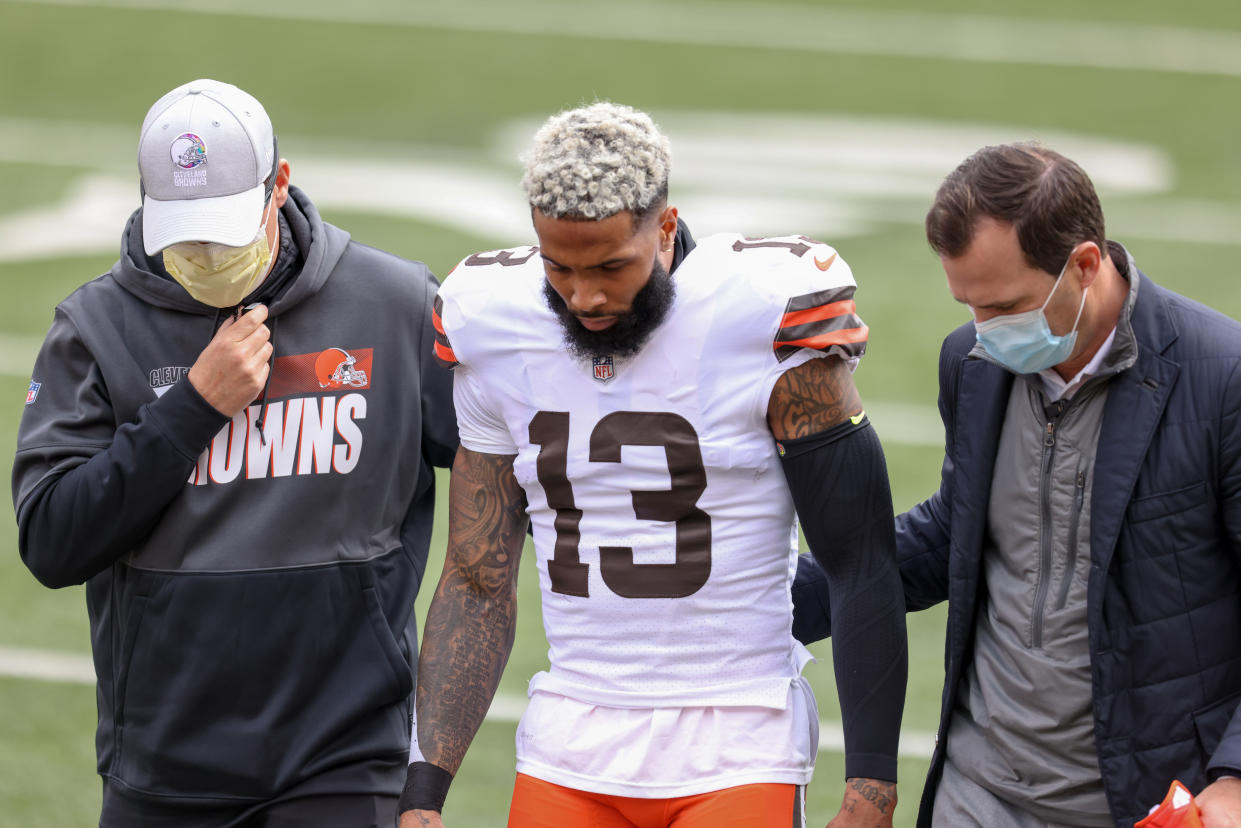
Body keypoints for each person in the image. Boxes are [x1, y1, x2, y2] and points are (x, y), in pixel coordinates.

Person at [397, 102, 908, 828]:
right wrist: (425, 790)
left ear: (664, 230)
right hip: (570, 733)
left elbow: (859, 559)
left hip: (737, 732)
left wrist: (870, 788)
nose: (586, 297)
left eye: (611, 266)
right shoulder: (492, 320)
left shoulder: (760, 311)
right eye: (559, 269)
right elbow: (478, 578)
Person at [11, 79, 457, 826]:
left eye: (221, 227)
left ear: (279, 185)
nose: (206, 254)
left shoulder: (396, 304)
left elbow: (513, 477)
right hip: (163, 765)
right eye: (184, 231)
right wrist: (189, 410)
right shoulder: (95, 327)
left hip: (344, 760)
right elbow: (53, 542)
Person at [792, 142, 1241, 827]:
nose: (984, 330)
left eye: (1004, 305)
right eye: (968, 305)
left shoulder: (1221, 379)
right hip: (980, 791)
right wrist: (762, 600)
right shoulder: (969, 362)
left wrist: (1235, 776)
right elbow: (955, 533)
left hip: (1137, 797)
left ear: (1083, 265)